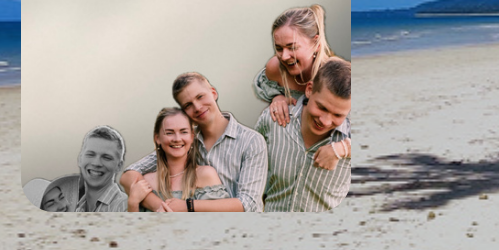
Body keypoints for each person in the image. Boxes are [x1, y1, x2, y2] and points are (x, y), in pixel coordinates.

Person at [119, 72, 269, 212]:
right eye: (188, 105)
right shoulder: (185, 142)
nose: (197, 107)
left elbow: (248, 203)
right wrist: (161, 207)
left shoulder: (251, 141)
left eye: (200, 97)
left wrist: (187, 206)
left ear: (213, 93)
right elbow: (128, 176)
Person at [256, 4, 351, 169]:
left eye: (292, 47)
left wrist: (341, 149)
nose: (284, 56)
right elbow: (263, 85)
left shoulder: (334, 74)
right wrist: (276, 96)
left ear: (316, 43)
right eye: (278, 48)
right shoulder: (275, 68)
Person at [258, 57, 352, 212]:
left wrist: (343, 149)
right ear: (309, 90)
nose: (325, 121)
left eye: (337, 115)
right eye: (321, 108)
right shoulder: (272, 120)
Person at [126, 108, 227, 212]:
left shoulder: (205, 175)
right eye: (169, 133)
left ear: (192, 137)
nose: (177, 139)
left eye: (184, 132)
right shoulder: (146, 182)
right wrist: (132, 203)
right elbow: (136, 223)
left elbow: (220, 220)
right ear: (157, 138)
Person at [37, 127, 128, 212]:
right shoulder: (77, 207)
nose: (96, 163)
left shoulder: (125, 207)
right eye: (90, 154)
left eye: (106, 157)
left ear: (119, 166)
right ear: (80, 159)